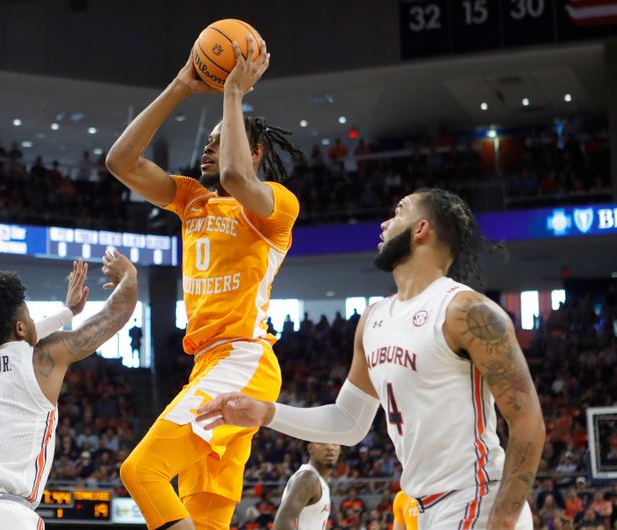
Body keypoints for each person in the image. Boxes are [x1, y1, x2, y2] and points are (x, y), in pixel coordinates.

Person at [197, 189, 545, 530]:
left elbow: (527, 419)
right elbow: (349, 421)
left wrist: (502, 519)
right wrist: (265, 412)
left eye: (398, 212)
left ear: (421, 229)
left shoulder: (465, 310)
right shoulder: (373, 318)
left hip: (477, 499)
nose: (384, 223)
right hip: (426, 508)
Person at [107, 35, 301, 530]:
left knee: (142, 471)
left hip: (243, 359)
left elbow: (238, 178)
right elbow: (120, 163)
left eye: (220, 138)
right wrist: (180, 85)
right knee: (205, 519)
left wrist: (233, 93)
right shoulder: (191, 198)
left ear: (255, 150)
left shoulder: (276, 205)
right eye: (208, 139)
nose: (208, 146)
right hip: (207, 364)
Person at [0, 252, 137, 530]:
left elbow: (25, 336)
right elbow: (115, 315)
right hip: (4, 515)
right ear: (20, 327)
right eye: (28, 314)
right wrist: (130, 278)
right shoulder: (40, 359)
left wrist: (68, 311)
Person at [273, 442, 339, 530]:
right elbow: (281, 524)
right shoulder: (308, 478)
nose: (330, 447)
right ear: (310, 448)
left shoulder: (319, 480)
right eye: (322, 443)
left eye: (335, 443)